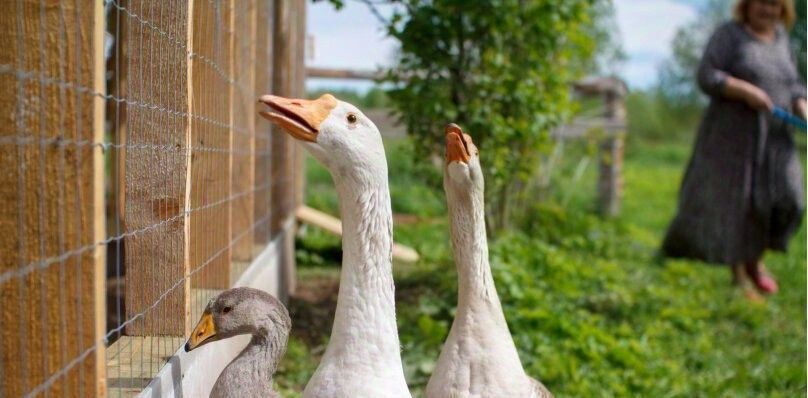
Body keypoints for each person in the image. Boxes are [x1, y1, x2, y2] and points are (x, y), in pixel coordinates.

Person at [662, 0, 807, 299]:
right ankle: (741, 272)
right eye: (762, 3)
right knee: (740, 204)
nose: (768, 10)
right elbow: (707, 75)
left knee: (789, 198)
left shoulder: (781, 40)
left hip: (776, 137)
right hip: (733, 138)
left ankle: (755, 260)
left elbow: (794, 85)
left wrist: (802, 107)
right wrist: (744, 90)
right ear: (747, 5)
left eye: (775, 5)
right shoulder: (729, 35)